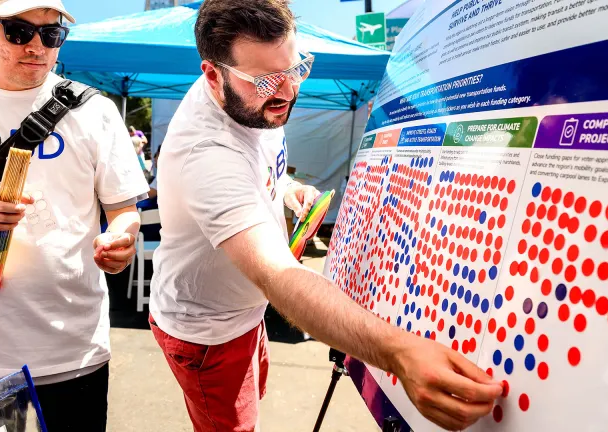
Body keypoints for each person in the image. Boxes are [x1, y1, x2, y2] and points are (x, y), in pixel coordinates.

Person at [150, 1, 503, 431]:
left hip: (243, 313)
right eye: (265, 81)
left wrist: (287, 189)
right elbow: (279, 275)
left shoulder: (249, 97)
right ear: (212, 74)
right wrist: (398, 352)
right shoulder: (204, 153)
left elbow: (259, 168)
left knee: (250, 406)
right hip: (207, 332)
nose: (286, 92)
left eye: (296, 68)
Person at [0, 1, 149, 429]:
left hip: (73, 348)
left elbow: (122, 210)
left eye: (51, 35)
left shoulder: (94, 111)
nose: (37, 47)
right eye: (18, 31)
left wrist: (121, 238)